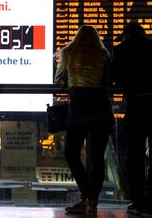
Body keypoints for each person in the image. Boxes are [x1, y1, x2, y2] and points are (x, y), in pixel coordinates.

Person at [111, 23, 152, 217]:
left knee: (135, 156)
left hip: (137, 105)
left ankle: (137, 200)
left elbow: (116, 79)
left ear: (125, 35)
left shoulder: (121, 50)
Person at [55, 25, 114, 215]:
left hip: (79, 109)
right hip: (101, 109)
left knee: (72, 153)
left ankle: (85, 194)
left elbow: (59, 81)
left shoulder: (68, 52)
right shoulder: (103, 54)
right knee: (97, 158)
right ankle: (92, 200)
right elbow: (108, 82)